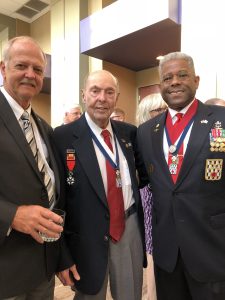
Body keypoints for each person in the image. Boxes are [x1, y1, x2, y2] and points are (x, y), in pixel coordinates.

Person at [137, 51, 225, 300]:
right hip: (168, 257)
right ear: (160, 85)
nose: (174, 81)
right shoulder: (146, 132)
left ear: (196, 80)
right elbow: (147, 182)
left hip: (213, 251)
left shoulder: (221, 120)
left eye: (182, 75)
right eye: (167, 78)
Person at [53, 70, 147, 300]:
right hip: (85, 236)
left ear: (116, 97)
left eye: (109, 92)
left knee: (130, 294)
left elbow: (144, 176)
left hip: (128, 227)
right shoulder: (62, 137)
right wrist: (62, 256)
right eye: (95, 91)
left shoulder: (129, 133)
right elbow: (57, 200)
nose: (102, 98)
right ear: (84, 95)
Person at [0, 36, 64, 299]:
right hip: (6, 269)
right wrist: (11, 215)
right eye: (21, 66)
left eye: (38, 69)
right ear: (3, 68)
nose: (30, 74)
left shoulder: (44, 128)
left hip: (42, 268)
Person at [136, 93, 167, 300]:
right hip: (151, 214)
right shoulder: (141, 139)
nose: (166, 113)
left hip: (175, 219)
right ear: (148, 115)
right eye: (160, 110)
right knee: (154, 274)